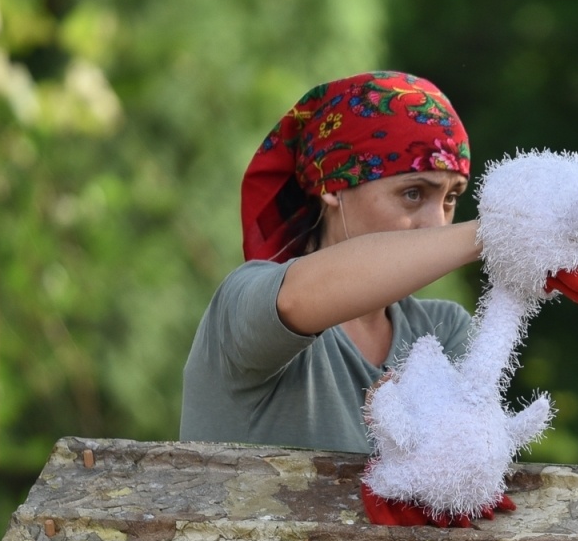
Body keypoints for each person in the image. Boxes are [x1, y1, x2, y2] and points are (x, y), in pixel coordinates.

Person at [180, 71, 483, 455]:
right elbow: (294, 300)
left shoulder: (445, 330)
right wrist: (498, 232)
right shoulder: (243, 300)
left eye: (451, 198)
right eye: (412, 193)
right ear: (332, 187)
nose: (437, 224)